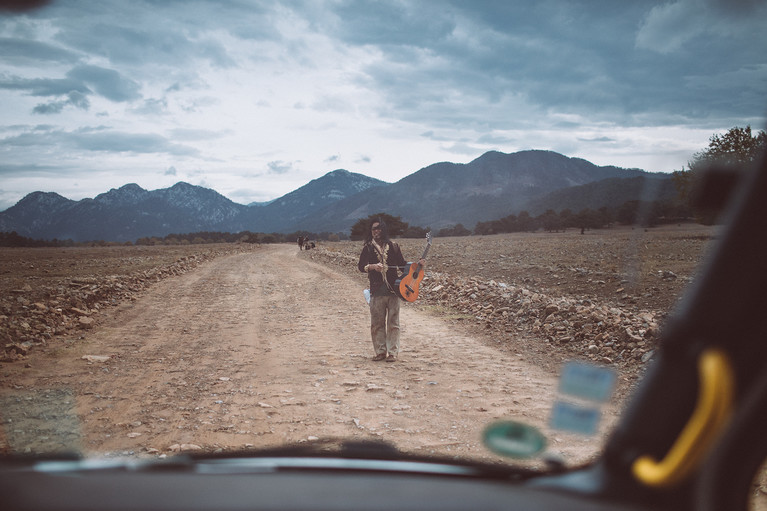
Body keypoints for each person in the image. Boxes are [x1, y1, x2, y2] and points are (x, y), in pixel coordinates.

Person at [357, 218, 425, 362]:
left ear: (384, 230)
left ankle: (393, 352)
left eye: (378, 228)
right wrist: (373, 266)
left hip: (394, 290)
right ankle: (380, 352)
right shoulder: (367, 248)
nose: (376, 231)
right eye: (373, 229)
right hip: (376, 290)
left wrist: (417, 266)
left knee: (394, 323)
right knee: (377, 323)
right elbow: (361, 266)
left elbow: (402, 266)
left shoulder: (394, 246)